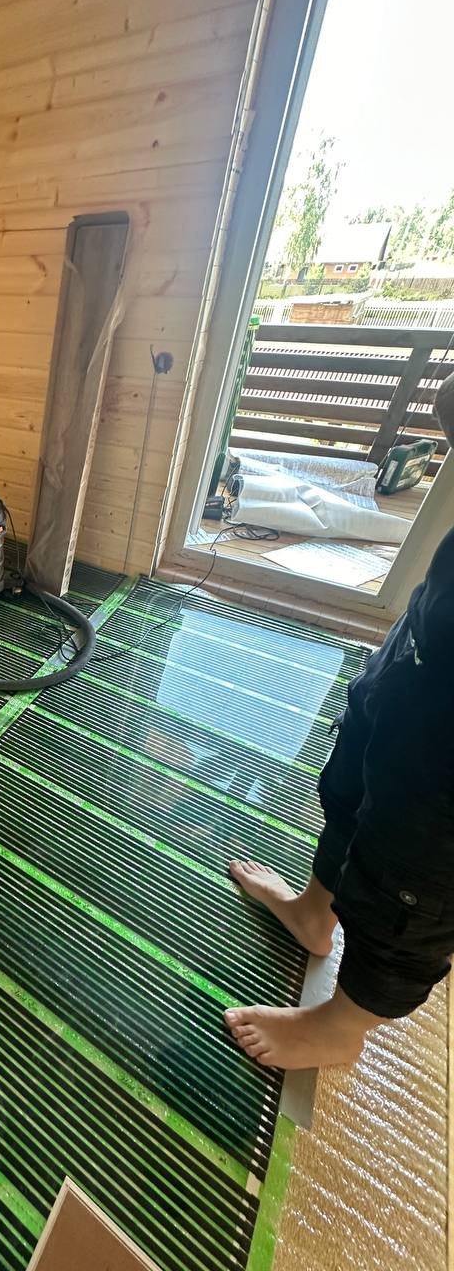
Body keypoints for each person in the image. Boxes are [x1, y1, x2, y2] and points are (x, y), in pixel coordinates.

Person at [225, 369, 454, 1069]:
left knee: (415, 874)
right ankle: (313, 912)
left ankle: (341, 1026)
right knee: (354, 779)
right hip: (426, 650)